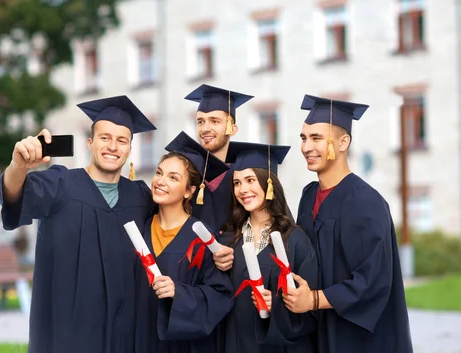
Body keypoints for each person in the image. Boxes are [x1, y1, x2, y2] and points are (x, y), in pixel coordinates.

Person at [0, 95, 156, 353]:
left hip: (124, 334)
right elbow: (14, 193)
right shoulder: (61, 185)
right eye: (105, 138)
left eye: (121, 140)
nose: (113, 146)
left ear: (129, 149)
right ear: (90, 143)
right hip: (68, 335)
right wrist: (18, 166)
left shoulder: (140, 197)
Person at [290, 94, 413, 352]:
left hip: (358, 338)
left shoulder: (366, 202)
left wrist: (313, 299)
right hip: (317, 331)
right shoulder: (308, 196)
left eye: (316, 138)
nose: (306, 147)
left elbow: (372, 279)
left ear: (343, 142)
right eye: (303, 138)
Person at [134, 131, 233, 353]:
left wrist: (178, 292)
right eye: (159, 173)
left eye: (173, 178)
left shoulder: (203, 238)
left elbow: (220, 296)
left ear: (189, 191)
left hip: (182, 346)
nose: (161, 181)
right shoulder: (140, 229)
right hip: (140, 341)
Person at [219, 141, 319, 353]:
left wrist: (278, 306)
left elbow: (311, 311)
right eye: (237, 183)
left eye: (250, 180)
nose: (242, 189)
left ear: (269, 183)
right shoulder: (228, 240)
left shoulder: (296, 241)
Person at [184, 84, 254, 233]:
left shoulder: (244, 175)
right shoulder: (188, 173)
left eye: (214, 121)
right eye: (200, 121)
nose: (205, 128)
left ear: (232, 129)